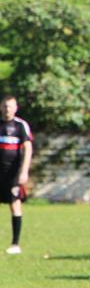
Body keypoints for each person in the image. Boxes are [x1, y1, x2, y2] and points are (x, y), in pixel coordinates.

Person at [1, 96, 33, 255]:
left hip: (13, 173)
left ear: (16, 108)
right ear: (1, 107)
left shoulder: (20, 126)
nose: (8, 109)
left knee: (14, 205)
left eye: (11, 106)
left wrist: (24, 171)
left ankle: (15, 244)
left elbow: (27, 148)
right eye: (5, 106)